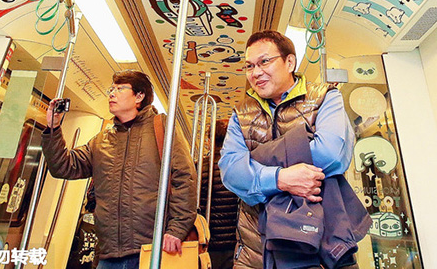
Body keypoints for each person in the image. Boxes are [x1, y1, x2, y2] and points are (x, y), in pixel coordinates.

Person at [219, 31, 360, 269]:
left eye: (265, 61)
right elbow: (231, 172)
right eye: (249, 65)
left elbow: (332, 153)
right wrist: (280, 179)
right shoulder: (240, 114)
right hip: (255, 252)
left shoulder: (325, 98)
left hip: (317, 246)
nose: (255, 72)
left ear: (290, 62)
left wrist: (254, 162)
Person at [42, 71, 196, 269]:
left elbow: (185, 177)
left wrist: (177, 229)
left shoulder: (162, 127)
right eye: (111, 89)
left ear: (139, 97)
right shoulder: (102, 140)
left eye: (120, 88)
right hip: (108, 253)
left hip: (152, 248)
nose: (112, 94)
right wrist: (53, 127)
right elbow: (63, 167)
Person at [202, 119, 239, 269]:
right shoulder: (238, 168)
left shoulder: (201, 168)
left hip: (209, 241)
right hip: (234, 241)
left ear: (210, 140)